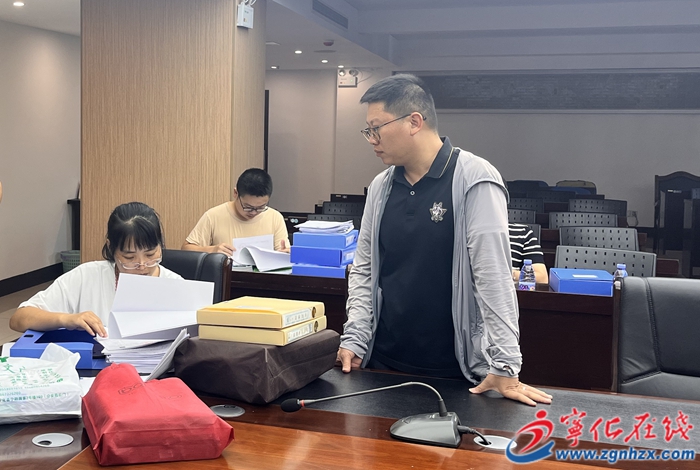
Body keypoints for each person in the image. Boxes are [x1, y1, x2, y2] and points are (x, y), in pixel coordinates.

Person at [337, 74, 552, 406]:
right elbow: (364, 270)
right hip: (383, 363)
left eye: (376, 128)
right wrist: (355, 337)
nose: (371, 139)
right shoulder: (381, 186)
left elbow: (493, 276)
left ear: (414, 122)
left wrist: (506, 364)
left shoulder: (474, 178)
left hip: (455, 370)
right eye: (368, 130)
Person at [9, 202, 182, 337]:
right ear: (111, 248)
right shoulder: (87, 276)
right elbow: (19, 318)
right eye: (129, 258)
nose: (142, 266)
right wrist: (66, 319)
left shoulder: (177, 286)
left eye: (150, 254)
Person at [182, 168, 289, 255]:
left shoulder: (275, 217)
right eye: (248, 207)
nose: (253, 212)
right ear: (235, 193)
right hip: (225, 275)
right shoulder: (213, 216)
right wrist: (212, 250)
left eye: (261, 207)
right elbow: (186, 249)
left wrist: (288, 254)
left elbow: (283, 253)